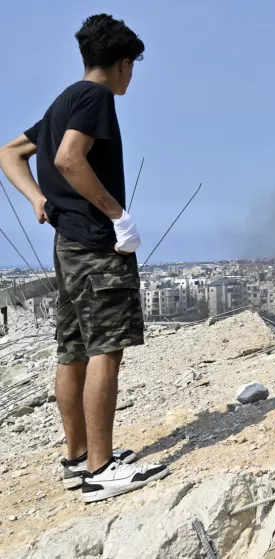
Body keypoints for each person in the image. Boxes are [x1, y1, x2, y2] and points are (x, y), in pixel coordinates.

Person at [0, 14, 168, 503]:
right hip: (95, 244)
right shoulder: (95, 98)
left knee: (72, 348)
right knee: (104, 350)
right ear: (122, 63)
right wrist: (118, 215)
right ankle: (100, 470)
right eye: (132, 66)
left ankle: (77, 457)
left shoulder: (63, 100)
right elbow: (69, 159)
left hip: (67, 244)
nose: (131, 76)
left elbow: (11, 152)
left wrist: (36, 200)